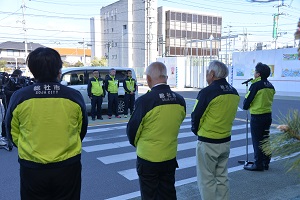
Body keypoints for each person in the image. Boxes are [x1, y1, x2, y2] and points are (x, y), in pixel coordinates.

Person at [5, 47, 88, 200]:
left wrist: (29, 147)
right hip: (68, 166)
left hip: (32, 167)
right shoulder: (73, 96)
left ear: (32, 71)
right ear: (59, 70)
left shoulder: (20, 97)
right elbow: (81, 130)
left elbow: (11, 131)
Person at [127, 62, 186, 200]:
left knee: (149, 195)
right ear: (166, 77)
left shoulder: (145, 101)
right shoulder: (180, 100)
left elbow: (132, 131)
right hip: (169, 157)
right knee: (168, 193)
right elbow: (179, 120)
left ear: (148, 79)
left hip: (148, 158)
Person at [191, 60, 240, 200]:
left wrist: (197, 131)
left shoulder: (207, 92)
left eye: (207, 72)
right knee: (222, 177)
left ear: (212, 74)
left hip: (208, 141)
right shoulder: (234, 92)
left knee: (206, 179)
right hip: (225, 141)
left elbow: (196, 115)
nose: (206, 74)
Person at [243, 62, 275, 171]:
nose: (254, 73)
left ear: (258, 74)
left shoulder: (256, 85)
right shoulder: (271, 86)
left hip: (257, 116)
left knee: (257, 141)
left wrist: (246, 105)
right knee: (265, 139)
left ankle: (258, 164)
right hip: (268, 115)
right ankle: (266, 162)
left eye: (255, 71)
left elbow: (246, 103)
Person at [1, 69, 23, 141]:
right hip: (8, 101)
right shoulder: (9, 81)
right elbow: (6, 92)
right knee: (7, 116)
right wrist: (16, 93)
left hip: (16, 101)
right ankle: (6, 134)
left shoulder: (19, 81)